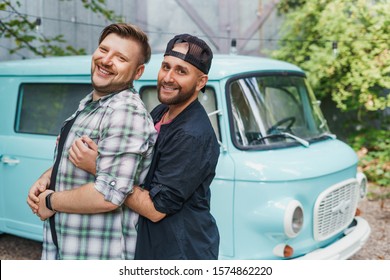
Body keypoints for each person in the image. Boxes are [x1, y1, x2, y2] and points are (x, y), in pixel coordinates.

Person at [71, 34, 221, 259]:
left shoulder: (192, 135)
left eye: (181, 71)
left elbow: (155, 209)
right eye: (166, 67)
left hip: (179, 252)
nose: (168, 78)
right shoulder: (161, 111)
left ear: (200, 82)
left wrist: (99, 167)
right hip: (150, 244)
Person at [26, 23, 157, 260]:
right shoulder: (92, 104)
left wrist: (50, 200)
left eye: (120, 58)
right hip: (69, 248)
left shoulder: (125, 112)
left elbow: (108, 195)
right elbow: (79, 157)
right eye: (104, 50)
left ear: (138, 72)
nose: (106, 60)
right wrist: (50, 175)